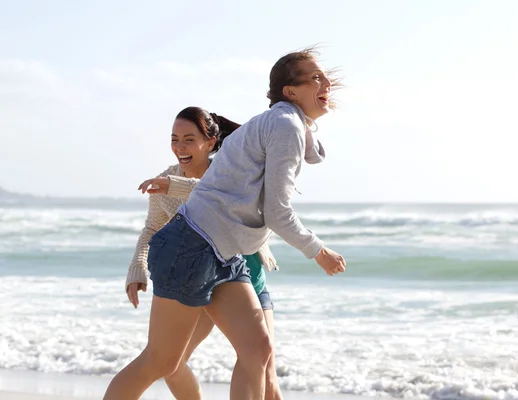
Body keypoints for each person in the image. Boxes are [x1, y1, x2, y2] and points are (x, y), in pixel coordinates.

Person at [103, 48, 346, 400]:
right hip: (193, 247)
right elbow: (277, 211)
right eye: (315, 77)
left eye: (324, 76)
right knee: (161, 361)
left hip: (225, 254)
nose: (326, 83)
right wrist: (318, 251)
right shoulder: (284, 125)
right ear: (291, 92)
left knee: (258, 350)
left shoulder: (288, 124)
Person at [125, 106, 283, 399]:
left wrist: (176, 186)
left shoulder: (229, 169)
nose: (180, 148)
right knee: (170, 363)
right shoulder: (165, 179)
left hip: (247, 269)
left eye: (188, 139)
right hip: (202, 271)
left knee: (264, 364)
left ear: (210, 142)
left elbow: (216, 192)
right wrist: (137, 266)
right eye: (174, 139)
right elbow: (152, 229)